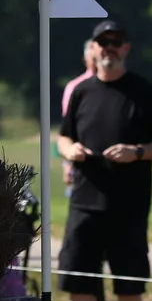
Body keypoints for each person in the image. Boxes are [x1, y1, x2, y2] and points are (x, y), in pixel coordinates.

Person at [55, 20, 152, 301]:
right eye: (102, 42)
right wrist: (70, 150)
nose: (108, 48)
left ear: (126, 48)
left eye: (115, 42)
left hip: (129, 206)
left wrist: (136, 152)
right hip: (84, 203)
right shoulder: (80, 92)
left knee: (129, 286)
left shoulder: (145, 92)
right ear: (93, 48)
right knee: (78, 283)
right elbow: (62, 137)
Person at [59, 40, 96, 197]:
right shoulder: (76, 87)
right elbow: (68, 129)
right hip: (81, 155)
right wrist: (68, 163)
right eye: (92, 58)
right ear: (85, 60)